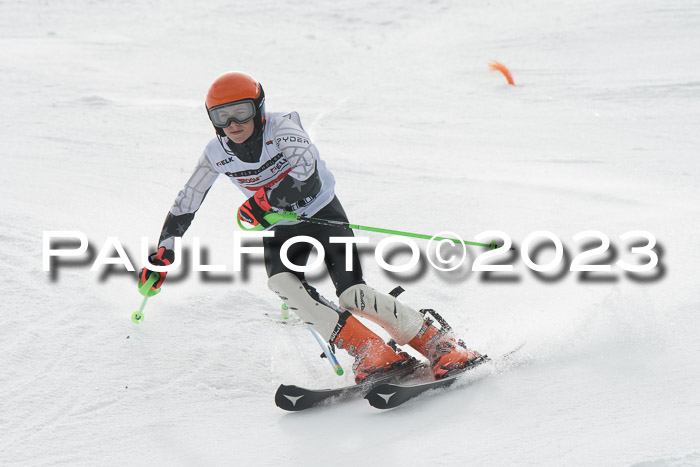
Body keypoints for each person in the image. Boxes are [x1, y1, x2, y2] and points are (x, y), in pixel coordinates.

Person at [140, 71, 483, 383]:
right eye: (221, 116)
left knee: (353, 296)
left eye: (241, 112)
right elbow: (188, 200)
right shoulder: (216, 152)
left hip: (321, 215)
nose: (232, 123)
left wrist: (262, 202)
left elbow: (307, 175)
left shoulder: (283, 128)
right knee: (283, 285)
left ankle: (440, 344)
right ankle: (372, 352)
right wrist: (162, 255)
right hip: (280, 230)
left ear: (258, 109)